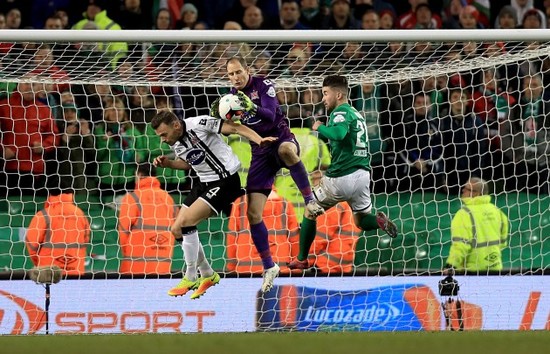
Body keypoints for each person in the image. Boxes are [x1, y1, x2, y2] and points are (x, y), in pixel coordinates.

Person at [210, 55, 325, 292]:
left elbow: (271, 116)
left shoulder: (264, 86)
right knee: (253, 214)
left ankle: (310, 201)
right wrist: (222, 118)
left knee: (286, 150)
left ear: (247, 70)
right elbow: (238, 126)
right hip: (260, 150)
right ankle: (269, 266)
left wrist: (251, 107)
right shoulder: (231, 97)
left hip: (281, 139)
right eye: (231, 74)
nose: (235, 77)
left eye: (238, 72)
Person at [151, 110, 276, 298]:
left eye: (163, 134)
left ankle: (191, 275)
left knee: (187, 223)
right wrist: (168, 164)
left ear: (176, 125)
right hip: (204, 182)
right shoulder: (177, 142)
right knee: (176, 229)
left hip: (225, 181)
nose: (162, 140)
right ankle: (208, 274)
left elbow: (234, 127)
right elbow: (187, 163)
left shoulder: (200, 124)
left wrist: (259, 140)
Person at [288, 75, 398, 270]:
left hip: (341, 177)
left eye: (325, 93)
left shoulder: (340, 112)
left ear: (338, 94)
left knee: (309, 210)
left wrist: (320, 126)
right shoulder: (357, 114)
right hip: (363, 175)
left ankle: (302, 258)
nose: (323, 98)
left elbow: (339, 134)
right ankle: (380, 222)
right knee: (361, 222)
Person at [118, 163, 178, 275]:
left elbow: (123, 229)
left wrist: (127, 252)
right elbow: (177, 226)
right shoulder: (168, 198)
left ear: (139, 175)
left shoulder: (132, 197)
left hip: (136, 262)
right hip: (163, 261)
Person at [25, 181, 91, 276]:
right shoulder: (80, 213)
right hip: (76, 271)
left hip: (48, 273)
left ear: (49, 193)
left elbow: (32, 246)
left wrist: (40, 264)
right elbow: (86, 241)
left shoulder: (43, 215)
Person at [444, 178, 509, 272]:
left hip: (472, 270)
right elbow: (503, 241)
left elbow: (461, 244)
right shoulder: (497, 211)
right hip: (496, 267)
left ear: (477, 194)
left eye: (467, 189)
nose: (463, 190)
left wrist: (450, 266)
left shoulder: (464, 214)